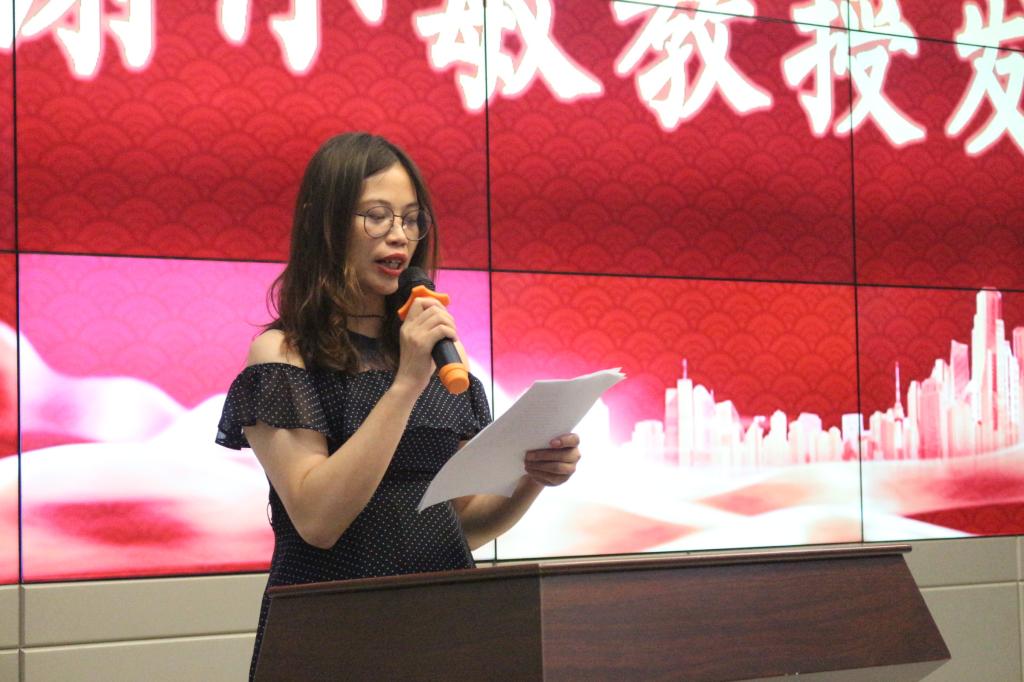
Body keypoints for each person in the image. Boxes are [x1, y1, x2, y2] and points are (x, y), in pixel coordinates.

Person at [214, 132, 582, 680]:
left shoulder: (437, 355)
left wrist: (533, 475)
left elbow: (462, 523)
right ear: (324, 223)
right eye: (377, 216)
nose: (399, 236)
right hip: (333, 630)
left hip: (442, 626)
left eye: (411, 219)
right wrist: (406, 383)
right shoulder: (283, 354)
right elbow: (318, 519)